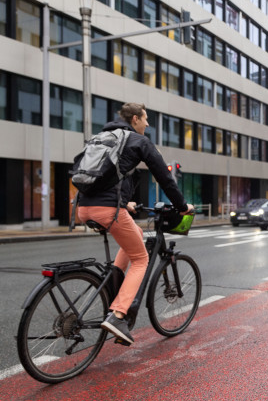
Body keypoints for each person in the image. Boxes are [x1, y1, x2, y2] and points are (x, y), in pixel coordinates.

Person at [77, 103, 194, 345]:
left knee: (136, 232)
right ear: (135, 119)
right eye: (146, 119)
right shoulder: (138, 141)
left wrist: (124, 203)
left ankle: (114, 283)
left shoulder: (103, 137)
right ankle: (119, 314)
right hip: (108, 209)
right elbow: (164, 177)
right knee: (141, 259)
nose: (147, 124)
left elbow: (102, 177)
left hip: (83, 207)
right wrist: (182, 206)